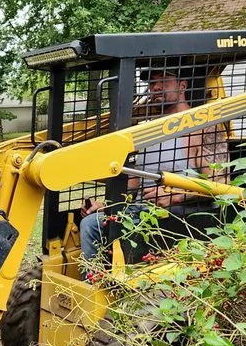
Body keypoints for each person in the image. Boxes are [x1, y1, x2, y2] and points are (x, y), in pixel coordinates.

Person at [79, 63, 229, 269]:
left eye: (163, 81)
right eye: (152, 83)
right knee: (93, 222)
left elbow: (221, 184)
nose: (155, 87)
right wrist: (108, 206)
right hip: (139, 212)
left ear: (183, 86)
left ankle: (100, 285)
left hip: (177, 218)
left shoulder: (201, 128)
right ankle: (95, 281)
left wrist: (175, 195)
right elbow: (135, 180)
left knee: (91, 226)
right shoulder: (149, 131)